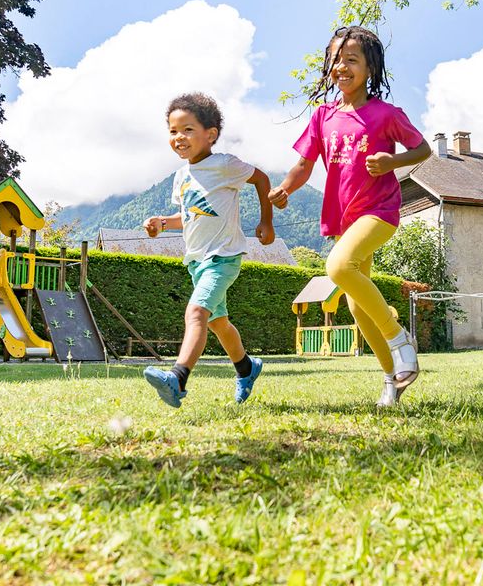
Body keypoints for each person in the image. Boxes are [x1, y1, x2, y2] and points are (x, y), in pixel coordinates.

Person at [269, 26, 431, 407]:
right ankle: (392, 379)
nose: (341, 66)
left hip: (380, 212)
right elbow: (304, 164)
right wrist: (285, 188)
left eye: (351, 60)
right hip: (346, 219)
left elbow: (421, 149)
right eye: (335, 60)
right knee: (358, 307)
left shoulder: (386, 114)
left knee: (338, 268)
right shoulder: (323, 116)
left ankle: (399, 338)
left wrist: (393, 160)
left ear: (370, 68)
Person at [142, 92, 274, 408]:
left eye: (187, 129)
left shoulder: (224, 165)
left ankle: (178, 377)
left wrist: (266, 221)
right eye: (173, 131)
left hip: (223, 257)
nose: (179, 138)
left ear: (210, 134)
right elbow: (189, 216)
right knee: (218, 323)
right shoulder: (181, 176)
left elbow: (262, 179)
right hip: (196, 261)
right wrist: (162, 222)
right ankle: (246, 368)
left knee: (196, 312)